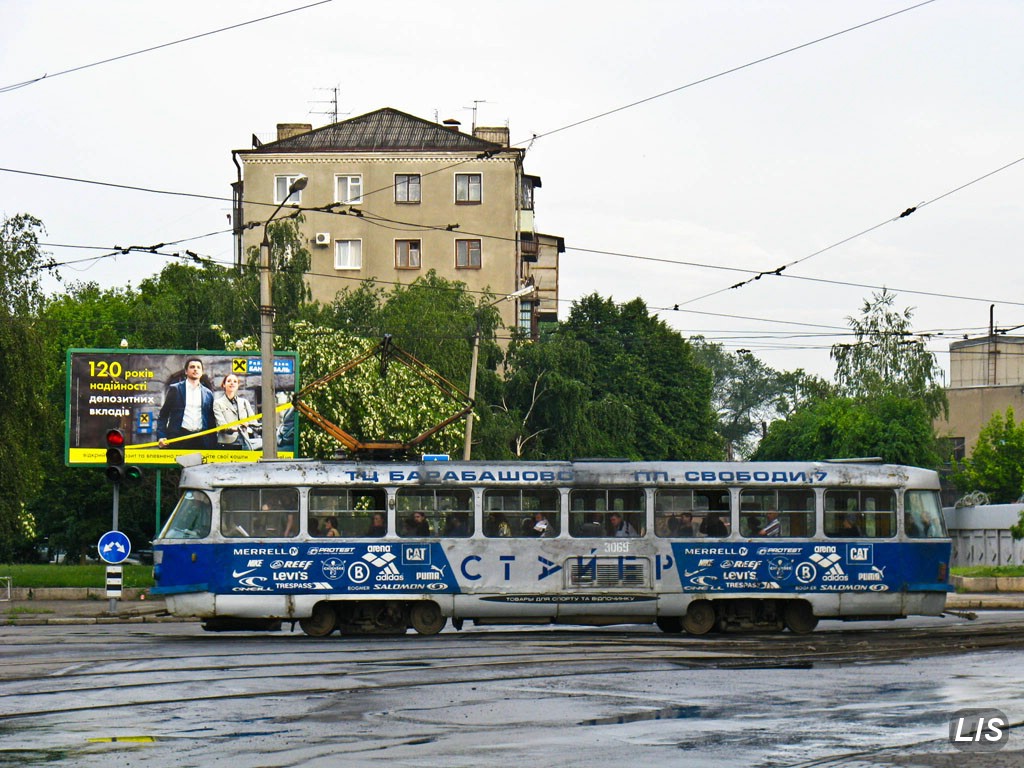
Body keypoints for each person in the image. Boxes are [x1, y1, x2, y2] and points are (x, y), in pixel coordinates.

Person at [157, 358, 216, 450]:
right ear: (186, 371)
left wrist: (212, 442)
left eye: (198, 367)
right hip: (179, 438)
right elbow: (163, 415)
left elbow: (211, 420)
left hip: (201, 439)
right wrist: (161, 436)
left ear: (202, 372)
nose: (195, 369)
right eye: (192, 367)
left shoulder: (208, 393)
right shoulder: (175, 389)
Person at [213, 373, 259, 450]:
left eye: (235, 381)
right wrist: (237, 428)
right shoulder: (218, 403)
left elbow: (254, 423)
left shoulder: (244, 402)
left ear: (237, 385)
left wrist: (247, 424)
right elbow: (221, 424)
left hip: (244, 441)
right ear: (224, 385)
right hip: (226, 443)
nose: (232, 383)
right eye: (229, 381)